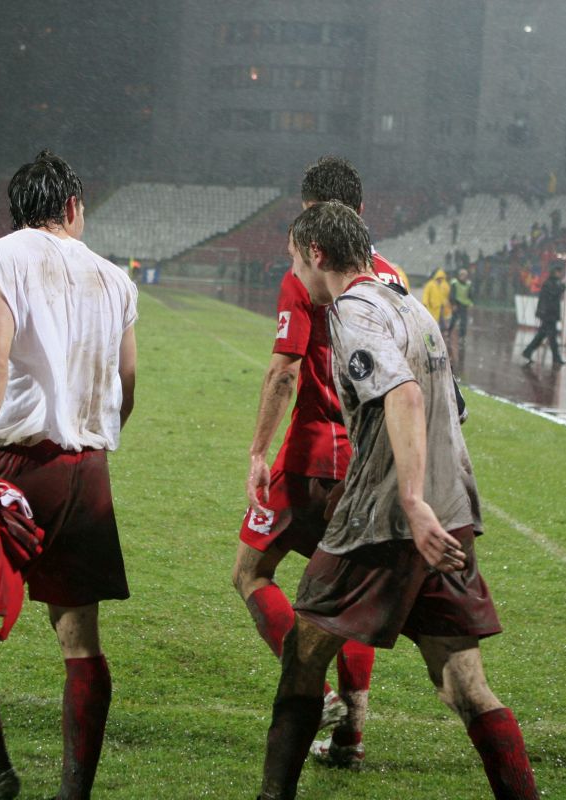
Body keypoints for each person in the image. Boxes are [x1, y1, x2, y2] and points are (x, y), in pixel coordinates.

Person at [257, 201, 539, 800]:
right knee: (467, 687)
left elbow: (405, 395)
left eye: (293, 260)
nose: (294, 274)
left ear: (315, 254)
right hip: (452, 515)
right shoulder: (411, 306)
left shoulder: (353, 314)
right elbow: (453, 407)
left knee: (302, 656)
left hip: (386, 521)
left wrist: (410, 500)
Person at [0, 150, 137, 800]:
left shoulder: (4, 255)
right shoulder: (114, 278)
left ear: (18, 210)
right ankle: (74, 795)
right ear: (73, 207)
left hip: (17, 463)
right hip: (88, 470)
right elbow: (127, 384)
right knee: (78, 632)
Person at [234, 155, 407, 769]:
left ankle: (323, 696)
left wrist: (258, 451)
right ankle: (351, 737)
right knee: (352, 601)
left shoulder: (310, 266)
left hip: (315, 454)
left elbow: (283, 371)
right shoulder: (395, 276)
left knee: (251, 573)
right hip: (373, 462)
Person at [521, 262, 566, 366]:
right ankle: (556, 358)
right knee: (552, 337)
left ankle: (527, 352)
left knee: (542, 335)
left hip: (549, 314)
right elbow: (553, 295)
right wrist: (562, 288)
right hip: (549, 315)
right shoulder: (550, 283)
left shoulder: (553, 283)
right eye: (559, 272)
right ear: (555, 272)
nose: (561, 274)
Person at [448, 267, 474, 339]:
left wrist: (470, 303)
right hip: (457, 304)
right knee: (453, 320)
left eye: (465, 276)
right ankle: (449, 332)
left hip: (464, 305)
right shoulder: (455, 283)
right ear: (459, 276)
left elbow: (470, 295)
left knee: (463, 322)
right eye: (462, 275)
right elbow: (452, 294)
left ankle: (462, 336)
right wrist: (453, 304)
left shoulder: (468, 284)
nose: (464, 277)